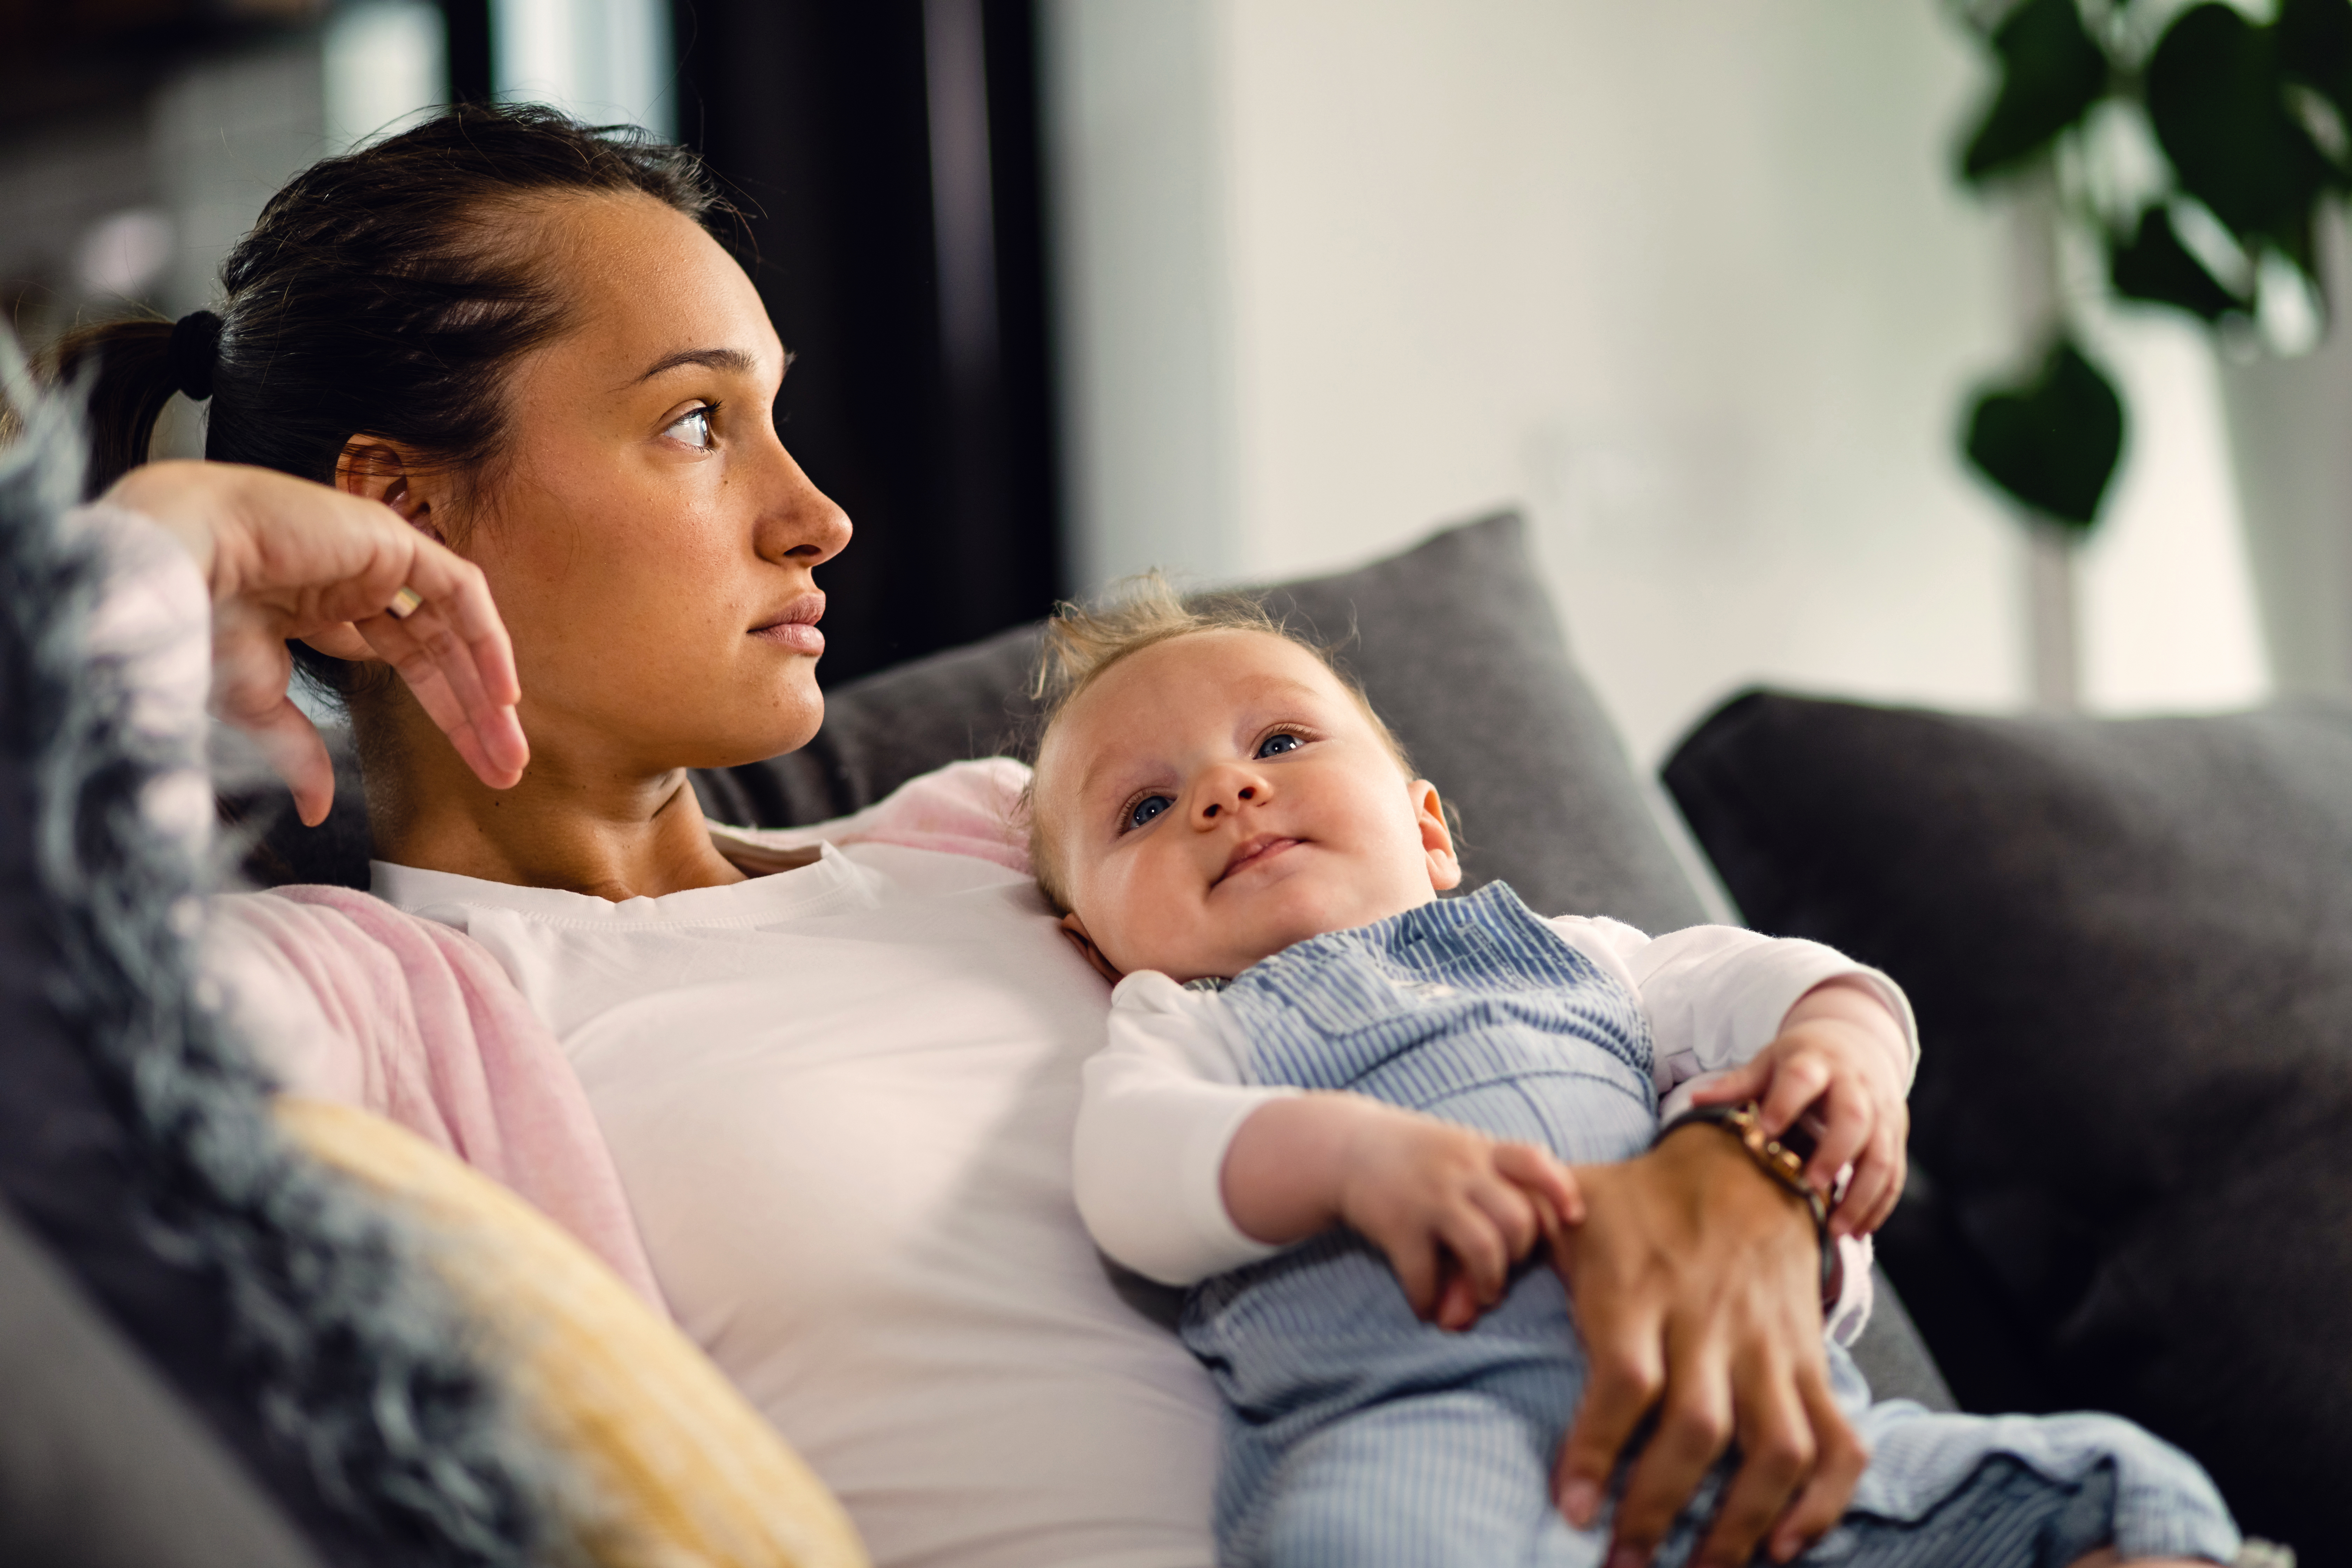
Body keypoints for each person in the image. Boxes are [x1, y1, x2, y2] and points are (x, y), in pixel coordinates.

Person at [35, 104, 2065, 1568]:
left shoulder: (1031, 838)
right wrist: (153, 555)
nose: (816, 515)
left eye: (780, 417)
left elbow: (1532, 1006)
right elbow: (50, 1043)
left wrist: (1739, 1168)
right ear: (407, 507)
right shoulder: (370, 1005)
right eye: (691, 424)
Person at [1024, 584, 2241, 1568]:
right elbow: (1134, 1176)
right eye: (1144, 808)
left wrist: (1843, 1050)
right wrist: (1350, 1159)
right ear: (1093, 943)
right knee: (1346, 1539)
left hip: (1781, 1431)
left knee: (2114, 1490)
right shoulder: (1188, 1026)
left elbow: (1788, 980)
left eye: (1281, 741)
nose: (1228, 795)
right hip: (1440, 1444)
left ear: (1431, 828)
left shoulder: (1587, 956)